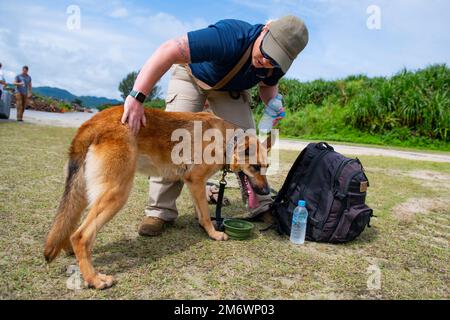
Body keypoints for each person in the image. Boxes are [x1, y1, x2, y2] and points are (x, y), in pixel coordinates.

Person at [121, 16, 309, 236]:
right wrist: (137, 97)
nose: (267, 62)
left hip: (229, 89)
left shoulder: (277, 62)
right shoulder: (230, 36)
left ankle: (261, 204)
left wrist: (273, 106)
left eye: (274, 60)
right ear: (265, 30)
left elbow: (268, 86)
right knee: (175, 142)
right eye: (267, 53)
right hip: (191, 76)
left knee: (248, 143)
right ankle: (159, 211)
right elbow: (169, 50)